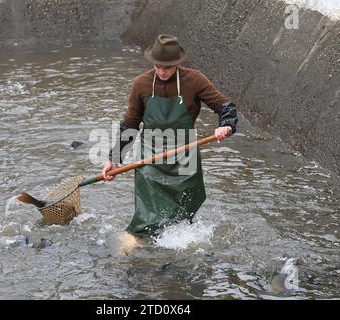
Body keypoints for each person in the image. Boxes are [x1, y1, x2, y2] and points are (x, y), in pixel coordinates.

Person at [102, 34, 238, 251]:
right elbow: (130, 124)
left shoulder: (194, 80)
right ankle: (139, 244)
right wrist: (114, 159)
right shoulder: (141, 84)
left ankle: (175, 250)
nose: (162, 71)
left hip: (185, 152)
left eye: (167, 67)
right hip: (150, 155)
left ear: (177, 63)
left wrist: (226, 125)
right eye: (158, 66)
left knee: (184, 210)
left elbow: (224, 105)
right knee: (148, 211)